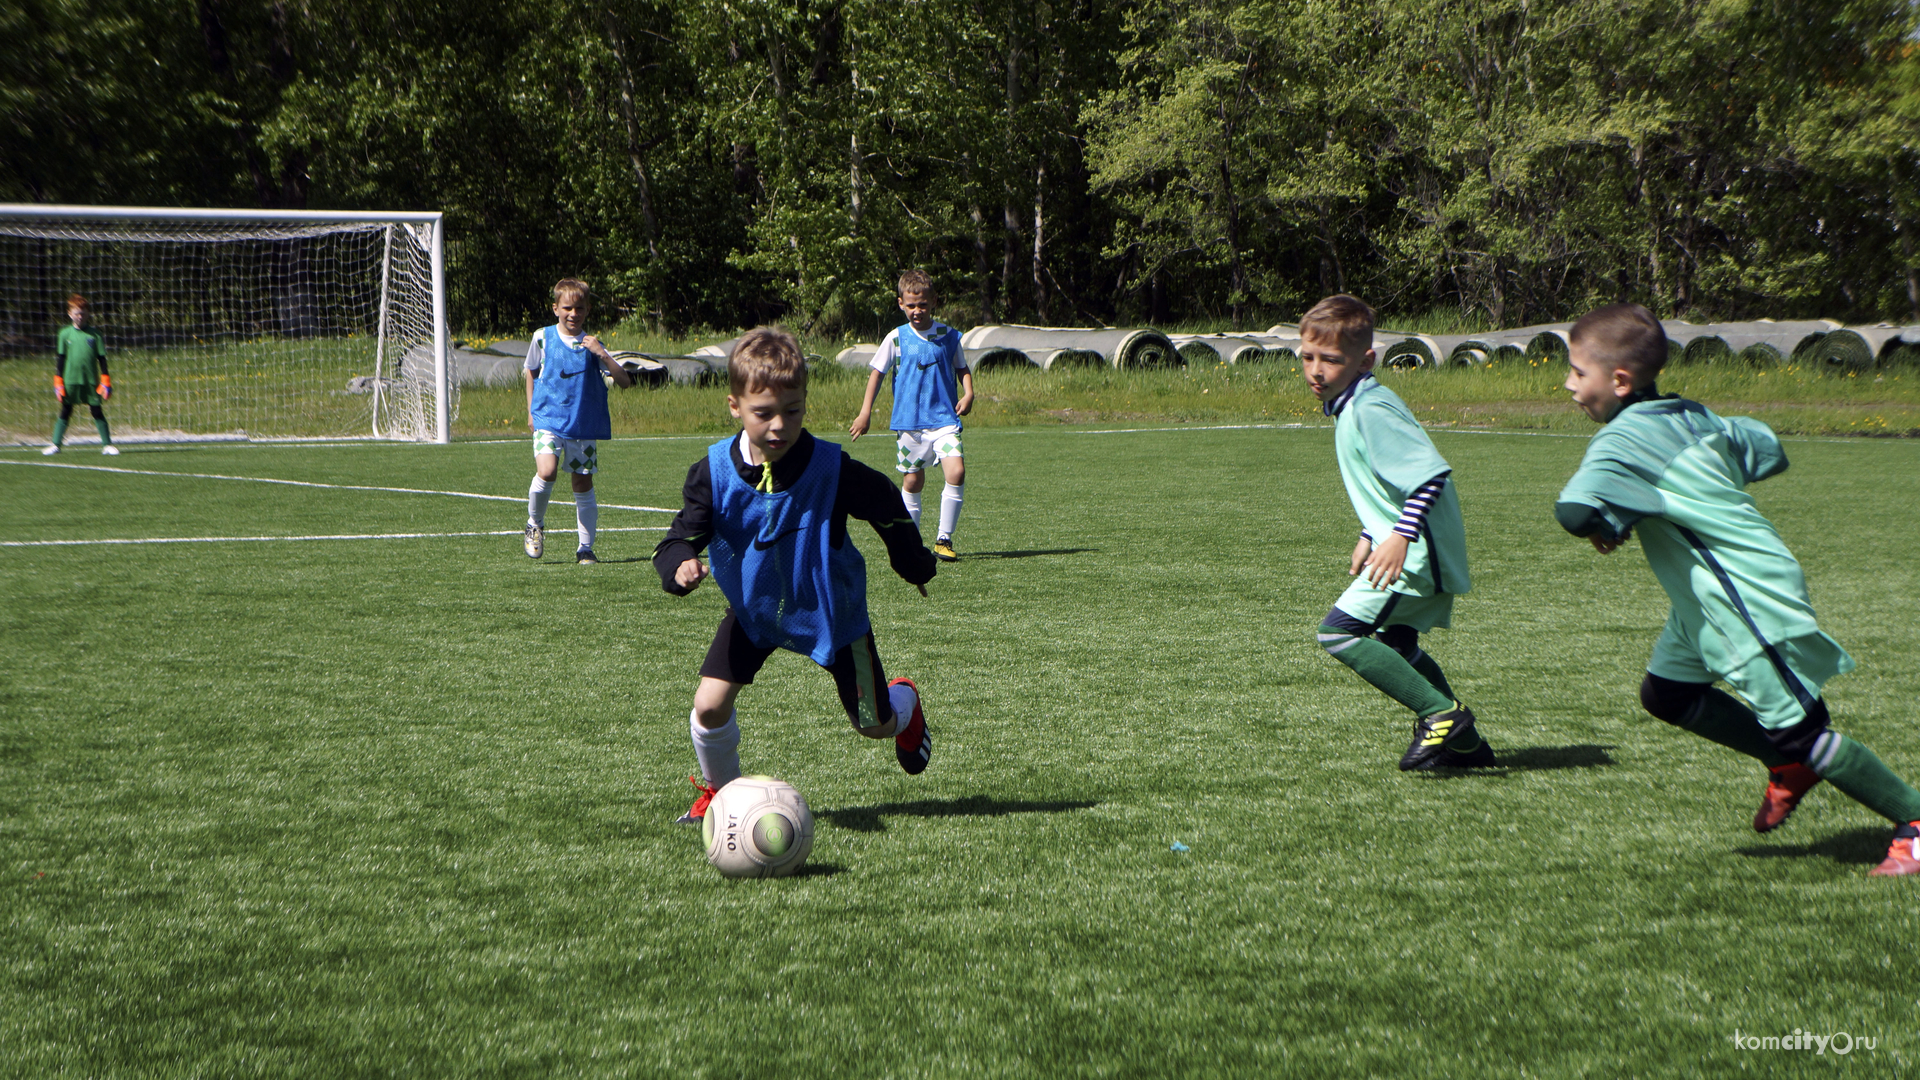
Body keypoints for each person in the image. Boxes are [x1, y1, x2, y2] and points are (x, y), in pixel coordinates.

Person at [1557, 303, 1920, 876]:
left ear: (1619, 380)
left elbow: (1574, 511)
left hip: (1739, 590)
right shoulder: (1691, 413)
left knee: (1802, 729)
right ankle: (1789, 766)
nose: (1569, 383)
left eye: (1578, 371)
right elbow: (1764, 447)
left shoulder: (1620, 441)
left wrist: (1610, 522)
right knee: (1667, 695)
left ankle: (1914, 822)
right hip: (1705, 594)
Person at [654, 326, 939, 824]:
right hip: (756, 608)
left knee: (874, 725)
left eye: (793, 410)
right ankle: (720, 798)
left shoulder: (830, 468)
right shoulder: (713, 472)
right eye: (764, 413)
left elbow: (886, 505)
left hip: (831, 612)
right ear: (735, 406)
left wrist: (911, 560)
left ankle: (906, 705)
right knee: (709, 705)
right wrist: (678, 564)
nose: (780, 426)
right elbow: (678, 537)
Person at [1301, 294, 1495, 770]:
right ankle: (1467, 747)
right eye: (1307, 357)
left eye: (1331, 359)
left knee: (1338, 634)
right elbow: (1389, 481)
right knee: (1396, 646)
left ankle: (1440, 714)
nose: (1316, 370)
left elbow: (1430, 476)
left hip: (1416, 551)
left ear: (1366, 359)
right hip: (1408, 545)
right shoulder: (1354, 403)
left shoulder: (1370, 408)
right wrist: (1371, 531)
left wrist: (1399, 537)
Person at [848, 269, 974, 562]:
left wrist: (968, 393)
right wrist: (865, 412)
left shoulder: (948, 336)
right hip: (910, 423)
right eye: (911, 305)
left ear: (934, 302)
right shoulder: (896, 338)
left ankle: (944, 538)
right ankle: (911, 542)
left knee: (956, 471)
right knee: (912, 483)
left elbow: (962, 369)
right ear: (901, 304)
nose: (918, 311)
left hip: (944, 419)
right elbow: (877, 375)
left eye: (923, 305)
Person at [522, 279, 631, 564]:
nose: (573, 313)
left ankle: (586, 548)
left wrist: (602, 354)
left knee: (582, 483)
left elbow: (625, 381)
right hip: (548, 419)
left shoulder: (592, 345)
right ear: (556, 308)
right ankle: (534, 524)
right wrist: (531, 411)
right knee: (546, 471)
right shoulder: (542, 337)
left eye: (579, 308)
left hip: (582, 424)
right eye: (567, 307)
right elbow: (531, 372)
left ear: (587, 310)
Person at [43, 294, 117, 456]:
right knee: (66, 410)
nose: (80, 316)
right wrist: (58, 380)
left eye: (83, 313)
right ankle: (56, 444)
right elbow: (61, 359)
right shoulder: (64, 334)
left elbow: (101, 358)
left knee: (96, 410)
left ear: (88, 314)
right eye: (77, 313)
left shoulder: (95, 334)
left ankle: (107, 445)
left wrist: (105, 378)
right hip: (70, 380)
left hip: (90, 380)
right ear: (70, 314)